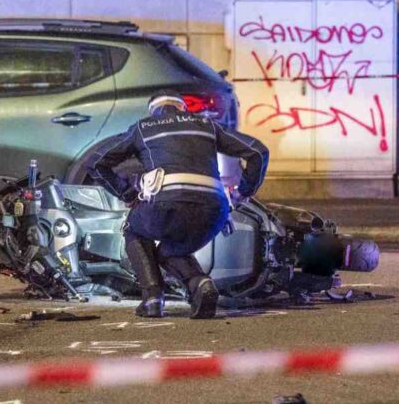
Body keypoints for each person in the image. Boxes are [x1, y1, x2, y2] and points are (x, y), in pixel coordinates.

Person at [86, 90, 269, 319]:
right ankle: (200, 284)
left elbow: (96, 162)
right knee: (172, 249)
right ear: (183, 108)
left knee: (133, 230)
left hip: (166, 205)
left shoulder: (143, 127)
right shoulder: (207, 125)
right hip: (214, 210)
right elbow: (258, 152)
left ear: (153, 110)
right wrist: (243, 193)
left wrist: (127, 193)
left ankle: (152, 297)